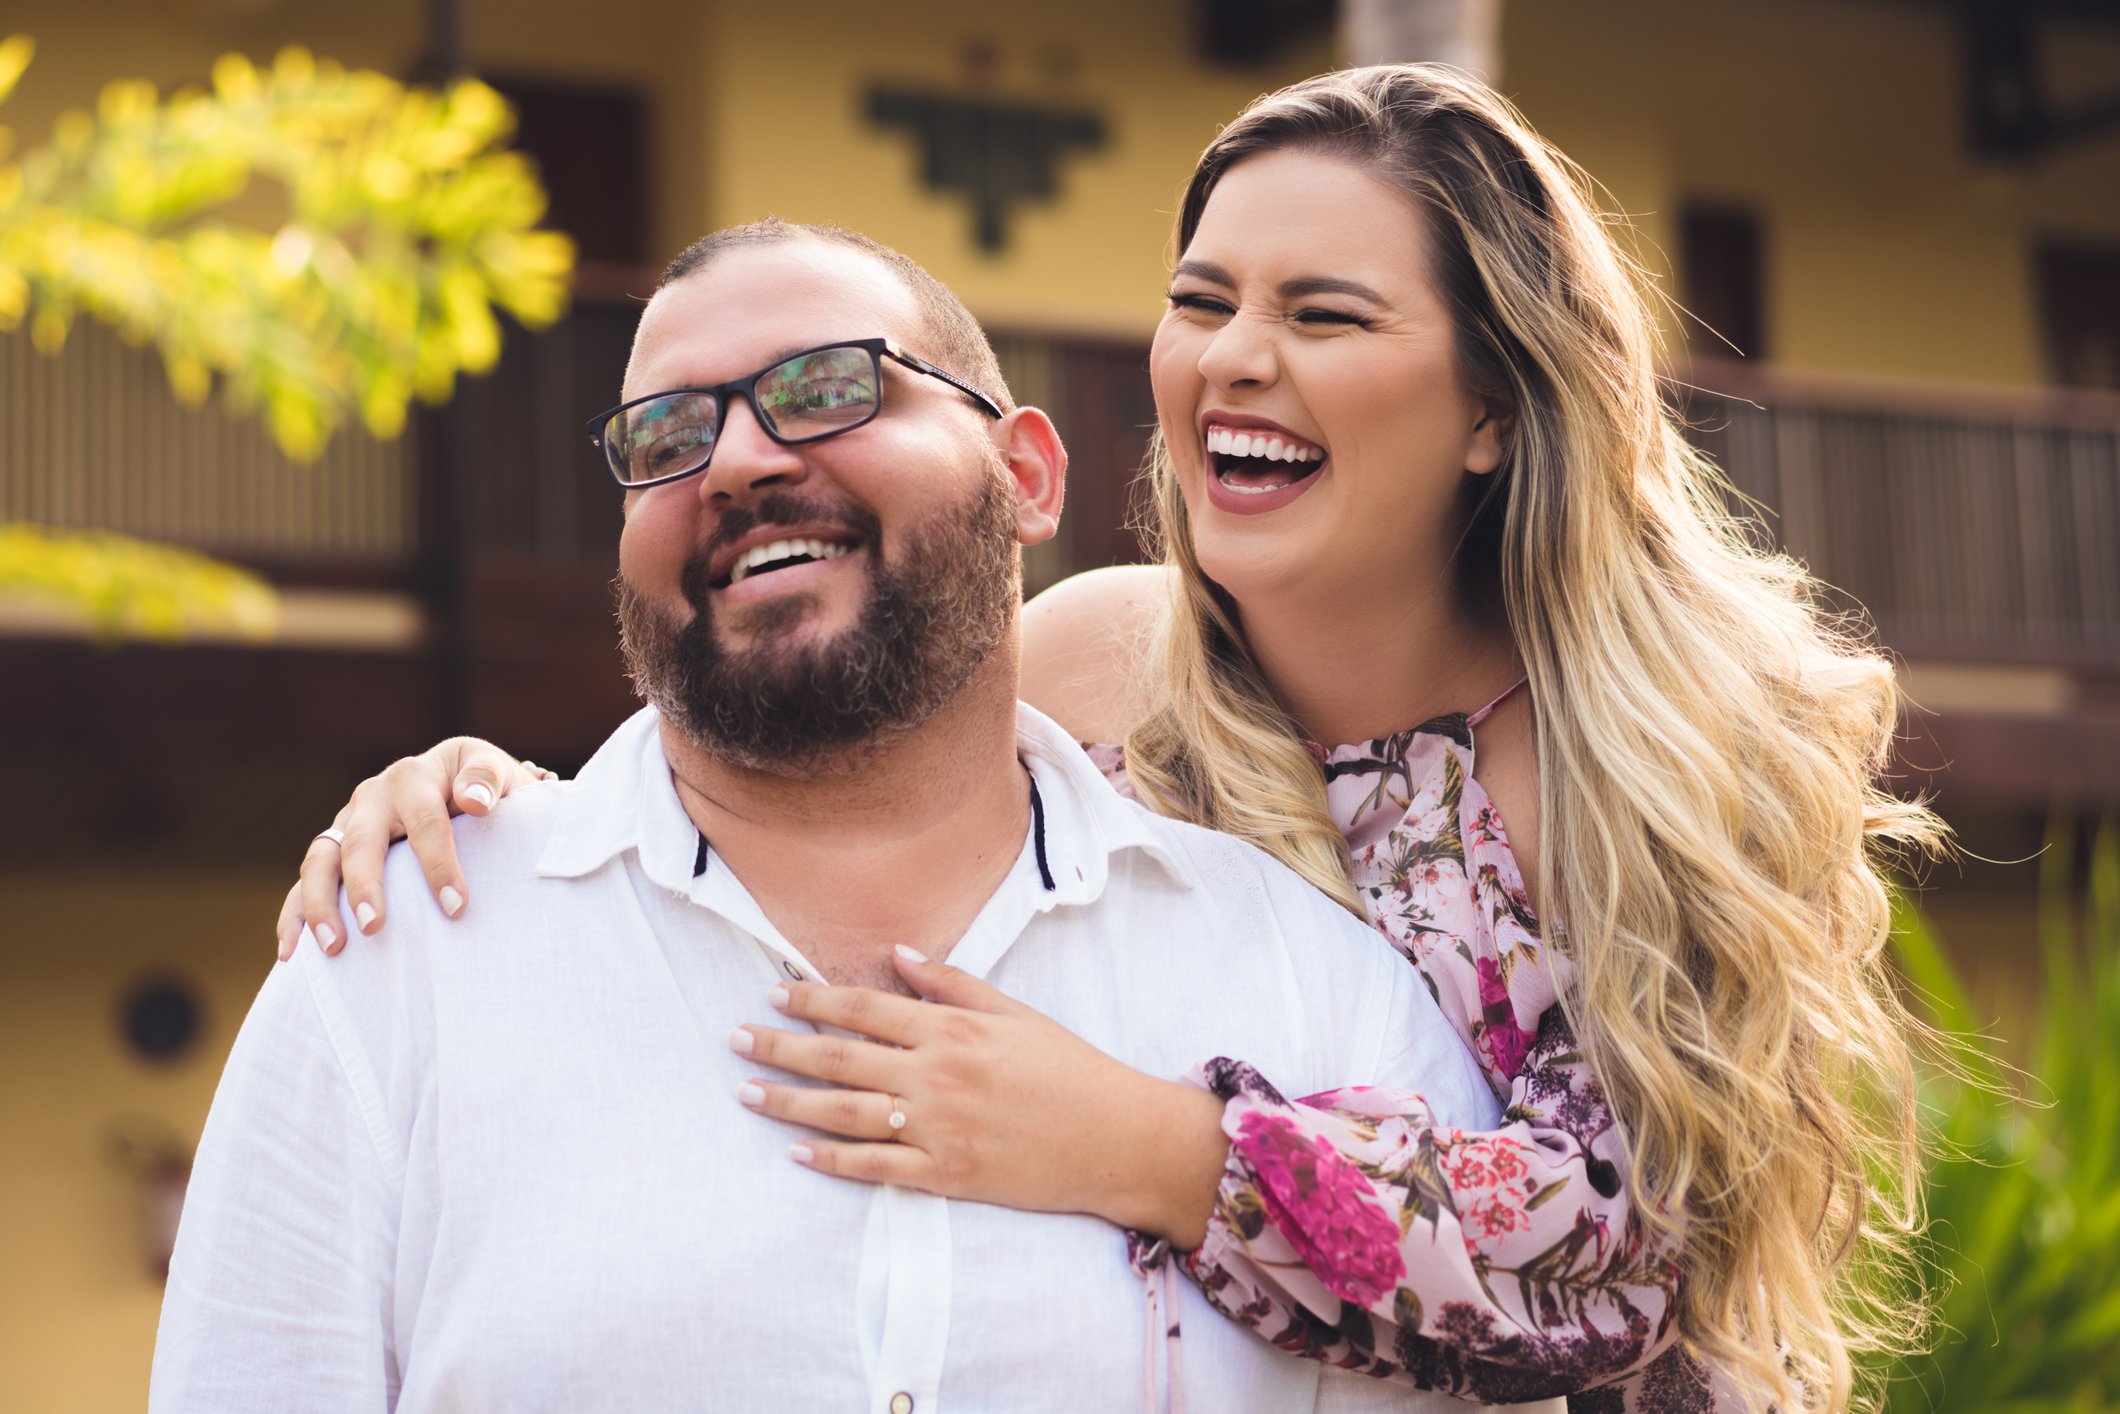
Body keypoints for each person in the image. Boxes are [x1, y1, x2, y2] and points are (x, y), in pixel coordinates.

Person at [279, 68, 1940, 1413]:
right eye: (1201, 300)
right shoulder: (1098, 657)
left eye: (1327, 315)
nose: (1235, 360)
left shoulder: (1643, 761)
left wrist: (1145, 1143)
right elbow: (792, 771)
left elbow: (1624, 1267)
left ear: (1498, 406)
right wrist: (478, 798)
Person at [153, 218, 1545, 1414]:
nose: (738, 459)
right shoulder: (397, 975)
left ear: (1031, 476)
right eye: (665, 433)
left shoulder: (1315, 989)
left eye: (827, 388)